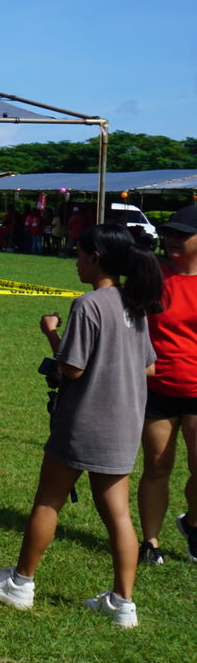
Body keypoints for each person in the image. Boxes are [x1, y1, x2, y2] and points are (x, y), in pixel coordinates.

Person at [0, 223, 159, 628]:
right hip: (126, 423)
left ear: (95, 257)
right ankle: (123, 603)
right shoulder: (135, 304)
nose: (76, 260)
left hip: (85, 422)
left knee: (48, 500)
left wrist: (51, 334)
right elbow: (149, 366)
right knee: (120, 516)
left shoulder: (89, 304)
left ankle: (20, 584)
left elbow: (71, 369)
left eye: (79, 253)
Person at [135, 203, 197, 565]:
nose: (172, 239)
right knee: (157, 467)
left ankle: (191, 522)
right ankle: (151, 542)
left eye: (182, 234)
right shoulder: (152, 276)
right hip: (156, 389)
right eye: (169, 232)